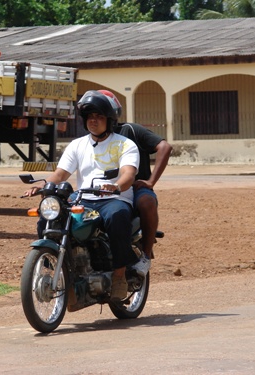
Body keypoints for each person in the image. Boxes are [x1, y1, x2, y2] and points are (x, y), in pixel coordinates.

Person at [23, 90, 142, 301]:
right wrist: (43, 186)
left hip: (113, 199)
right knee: (50, 215)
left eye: (99, 116)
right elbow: (61, 173)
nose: (93, 121)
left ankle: (119, 276)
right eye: (90, 117)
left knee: (117, 217)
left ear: (110, 120)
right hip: (84, 198)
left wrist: (115, 187)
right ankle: (58, 263)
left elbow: (128, 174)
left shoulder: (125, 144)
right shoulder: (78, 144)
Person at [99, 90, 173, 267]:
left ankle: (145, 257)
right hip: (102, 188)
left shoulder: (130, 130)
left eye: (101, 113)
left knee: (147, 202)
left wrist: (150, 182)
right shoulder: (90, 138)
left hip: (135, 186)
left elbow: (165, 147)